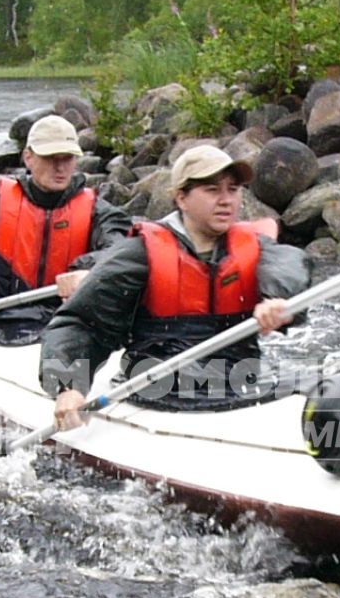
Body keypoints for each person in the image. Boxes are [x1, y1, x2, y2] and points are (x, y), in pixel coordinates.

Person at [41, 144, 309, 431]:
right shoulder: (139, 254)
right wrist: (68, 386)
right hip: (163, 386)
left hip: (240, 380)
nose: (226, 200)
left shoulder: (255, 246)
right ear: (181, 197)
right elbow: (80, 321)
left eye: (233, 189)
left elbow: (289, 264)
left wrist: (278, 300)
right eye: (212, 190)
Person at [0, 114, 133, 343]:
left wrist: (90, 269)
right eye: (50, 157)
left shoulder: (100, 213)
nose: (59, 167)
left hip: (71, 327)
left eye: (66, 158)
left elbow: (122, 253)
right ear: (28, 157)